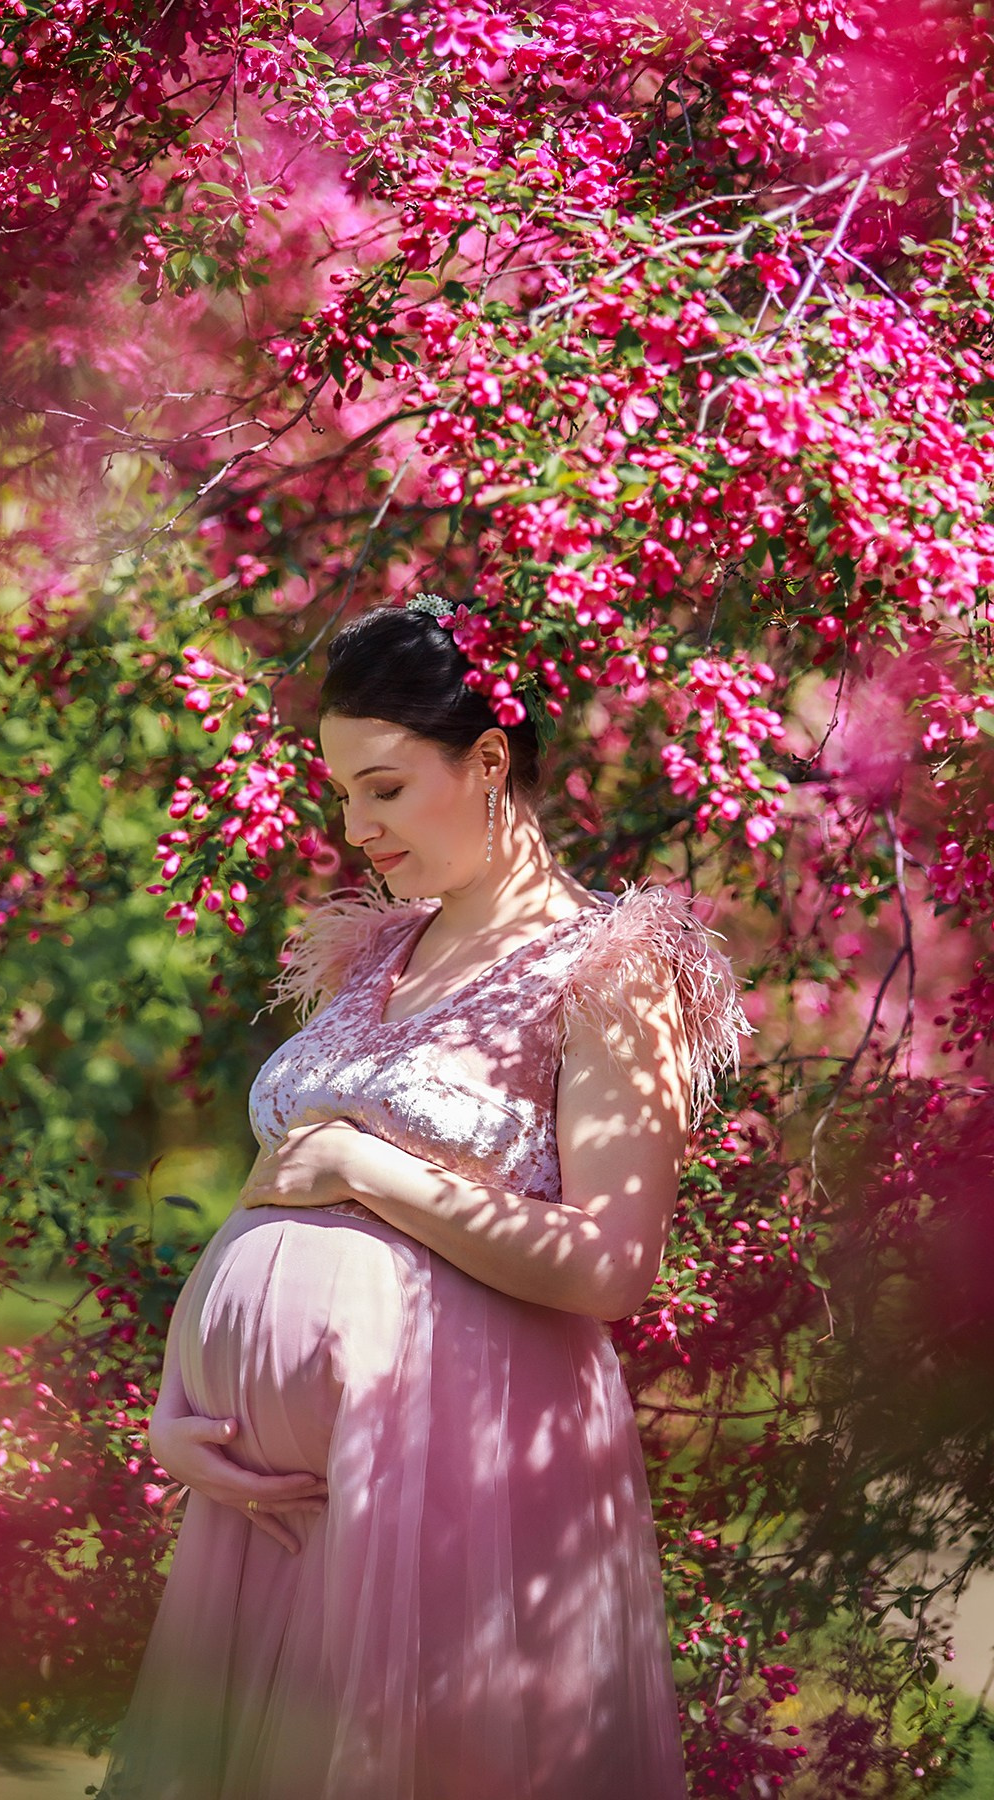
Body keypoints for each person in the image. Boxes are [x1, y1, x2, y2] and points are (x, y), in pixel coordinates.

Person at [96, 602, 750, 1800]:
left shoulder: (609, 968)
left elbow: (613, 1264)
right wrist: (178, 1397)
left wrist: (372, 1168)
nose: (358, 829)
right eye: (344, 795)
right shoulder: (373, 958)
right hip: (277, 1504)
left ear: (488, 762)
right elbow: (273, 1185)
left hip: (462, 1476)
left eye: (385, 789)